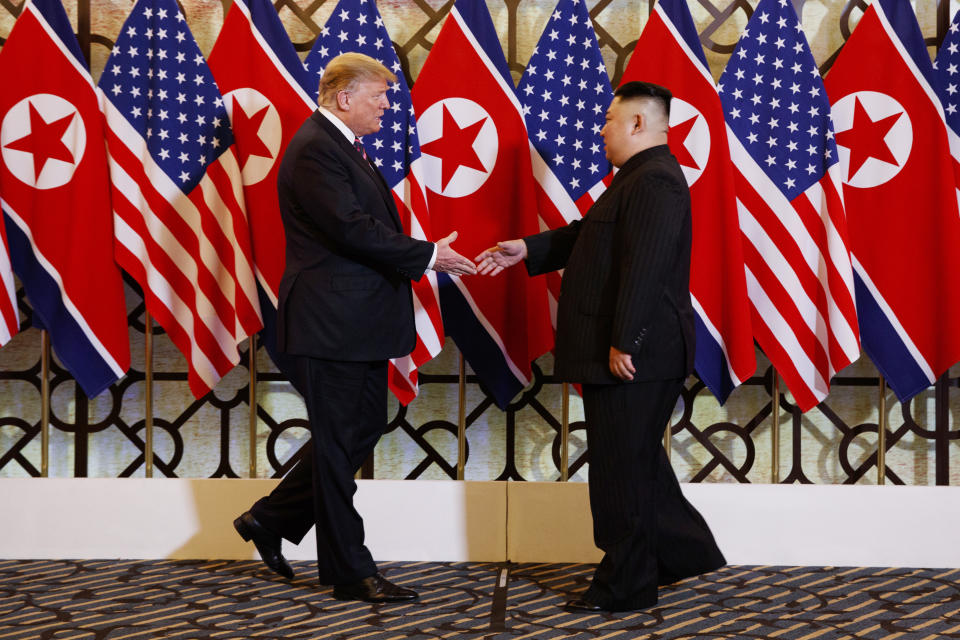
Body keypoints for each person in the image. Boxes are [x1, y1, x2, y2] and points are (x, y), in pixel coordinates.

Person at [233, 52, 476, 603]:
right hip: (331, 322)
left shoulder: (339, 145)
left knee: (359, 429)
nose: (388, 106)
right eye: (379, 96)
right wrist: (428, 255)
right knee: (341, 448)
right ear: (345, 97)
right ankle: (350, 571)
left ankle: (268, 519)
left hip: (356, 322)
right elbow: (349, 228)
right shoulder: (316, 147)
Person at [475, 81, 726, 612]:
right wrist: (528, 248)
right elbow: (592, 234)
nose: (602, 129)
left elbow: (647, 268)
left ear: (638, 123)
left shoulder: (655, 180)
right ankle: (681, 555)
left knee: (621, 472)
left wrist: (623, 341)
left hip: (635, 353)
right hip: (632, 350)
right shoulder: (638, 179)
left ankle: (626, 587)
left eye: (611, 120)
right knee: (637, 466)